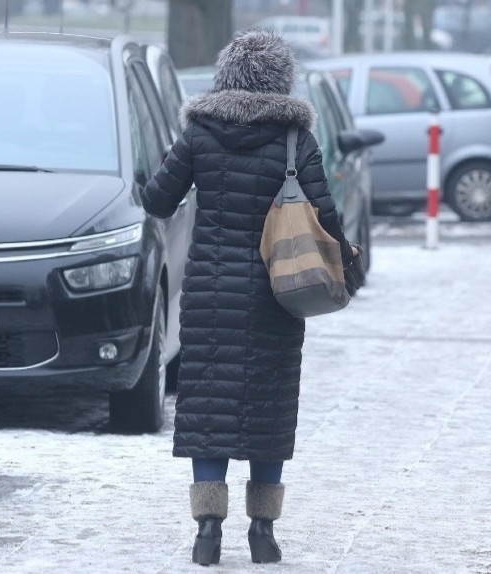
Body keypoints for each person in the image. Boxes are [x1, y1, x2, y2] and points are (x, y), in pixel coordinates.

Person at [140, 30, 364, 566]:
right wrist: (348, 262)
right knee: (268, 408)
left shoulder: (198, 135)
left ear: (227, 76)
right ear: (280, 79)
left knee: (207, 409)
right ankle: (262, 531)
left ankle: (206, 534)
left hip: (211, 299)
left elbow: (158, 200)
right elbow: (325, 214)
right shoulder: (296, 141)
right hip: (276, 298)